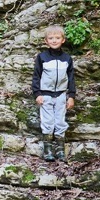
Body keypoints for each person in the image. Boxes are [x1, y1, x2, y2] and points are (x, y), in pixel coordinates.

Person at [31, 24, 76, 161]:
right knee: (48, 121)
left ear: (63, 40)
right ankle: (48, 150)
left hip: (61, 95)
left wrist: (71, 96)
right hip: (45, 95)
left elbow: (71, 78)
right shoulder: (42, 57)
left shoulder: (67, 58)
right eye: (51, 38)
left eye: (57, 38)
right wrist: (37, 93)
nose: (54, 40)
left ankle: (60, 150)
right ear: (46, 41)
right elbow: (36, 76)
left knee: (60, 121)